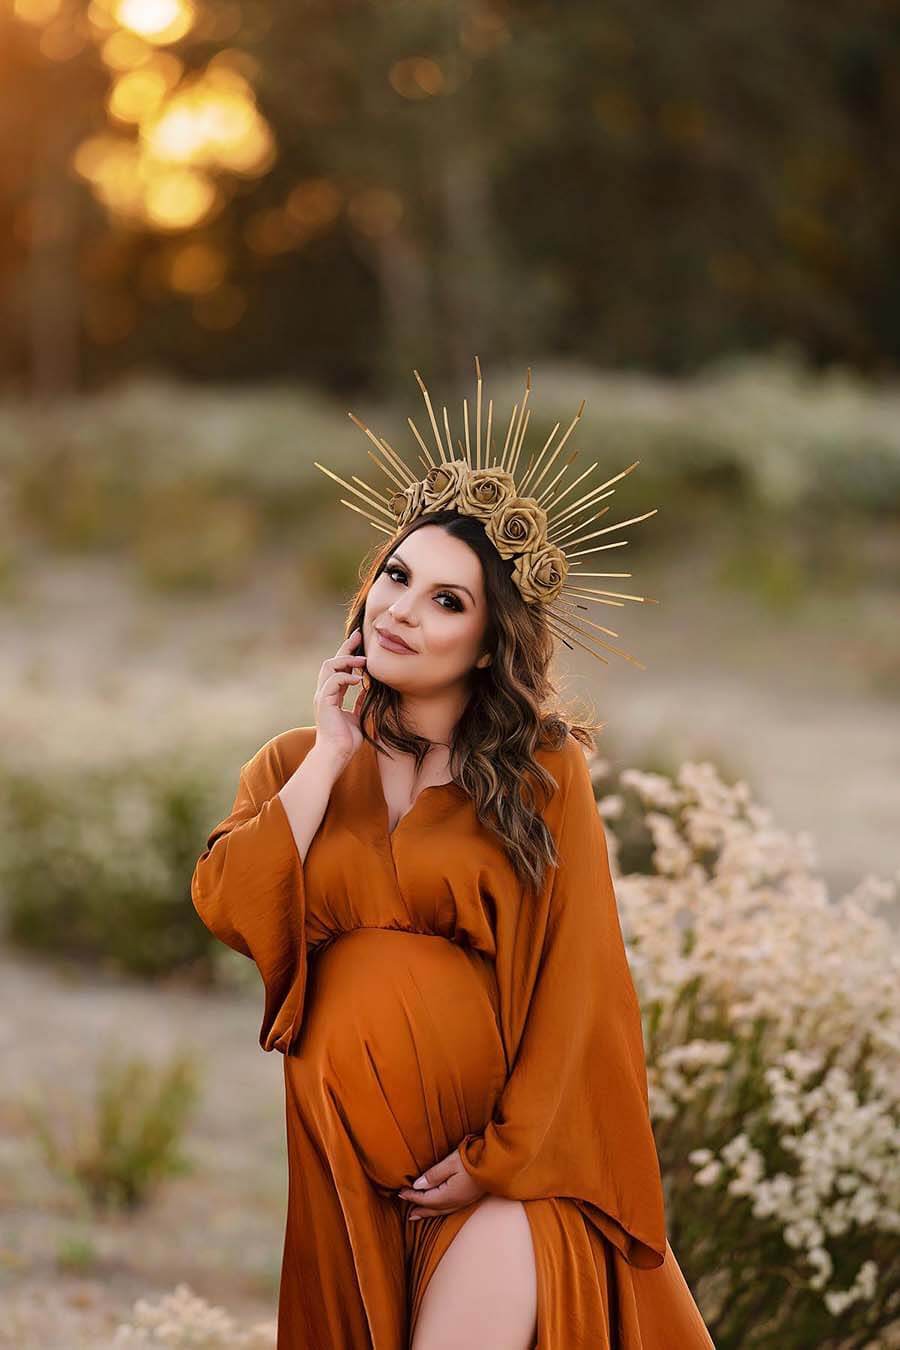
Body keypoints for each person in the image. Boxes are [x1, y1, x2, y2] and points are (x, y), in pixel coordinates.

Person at [191, 365, 716, 1348]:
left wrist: (504, 1156)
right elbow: (225, 900)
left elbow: (582, 979)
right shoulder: (296, 764)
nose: (401, 610)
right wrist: (332, 754)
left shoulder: (542, 773)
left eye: (445, 602)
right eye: (395, 577)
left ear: (486, 644)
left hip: (505, 1177)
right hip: (351, 1171)